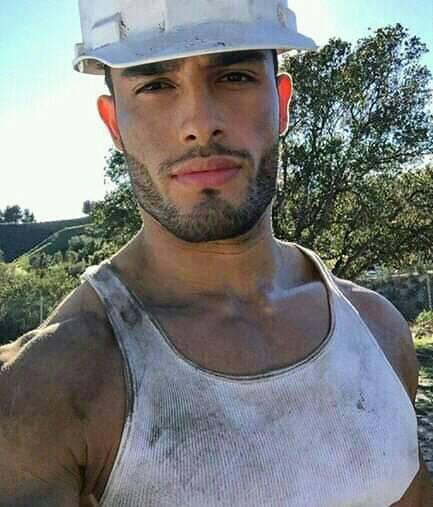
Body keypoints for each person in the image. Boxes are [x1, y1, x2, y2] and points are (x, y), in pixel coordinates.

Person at [0, 1, 432, 505]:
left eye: (234, 76)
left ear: (282, 103)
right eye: (155, 85)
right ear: (114, 123)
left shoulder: (379, 331)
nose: (201, 124)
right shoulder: (47, 387)